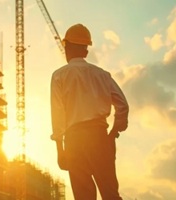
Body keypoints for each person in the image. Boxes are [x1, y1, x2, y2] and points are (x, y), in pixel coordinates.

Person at [50, 23, 129, 200]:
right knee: (110, 194)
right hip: (100, 137)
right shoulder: (102, 75)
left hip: (74, 142)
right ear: (86, 51)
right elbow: (122, 105)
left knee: (84, 197)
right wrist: (114, 131)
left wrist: (60, 150)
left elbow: (58, 115)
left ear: (66, 47)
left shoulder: (59, 76)